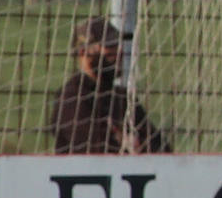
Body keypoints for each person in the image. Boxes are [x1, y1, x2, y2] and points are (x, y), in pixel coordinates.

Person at [50, 17, 171, 154]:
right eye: (109, 45)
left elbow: (162, 149)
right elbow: (96, 151)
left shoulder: (122, 97)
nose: (119, 51)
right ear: (83, 52)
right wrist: (131, 147)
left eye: (118, 44)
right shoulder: (72, 97)